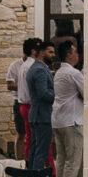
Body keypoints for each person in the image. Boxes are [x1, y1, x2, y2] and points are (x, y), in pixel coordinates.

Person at [50, 39, 86, 177]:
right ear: (69, 55)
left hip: (59, 120)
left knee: (62, 159)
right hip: (72, 121)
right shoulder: (74, 73)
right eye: (75, 52)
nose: (77, 55)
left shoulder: (59, 72)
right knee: (72, 160)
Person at [25, 40, 56, 169]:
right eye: (50, 52)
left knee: (35, 149)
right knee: (41, 152)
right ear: (42, 52)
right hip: (42, 115)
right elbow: (43, 94)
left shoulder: (36, 68)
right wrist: (57, 95)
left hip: (37, 114)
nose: (53, 55)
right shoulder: (39, 70)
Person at [12, 38, 42, 157]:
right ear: (34, 51)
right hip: (29, 104)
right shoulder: (32, 66)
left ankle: (28, 161)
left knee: (31, 137)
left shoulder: (26, 66)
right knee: (31, 136)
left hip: (26, 104)